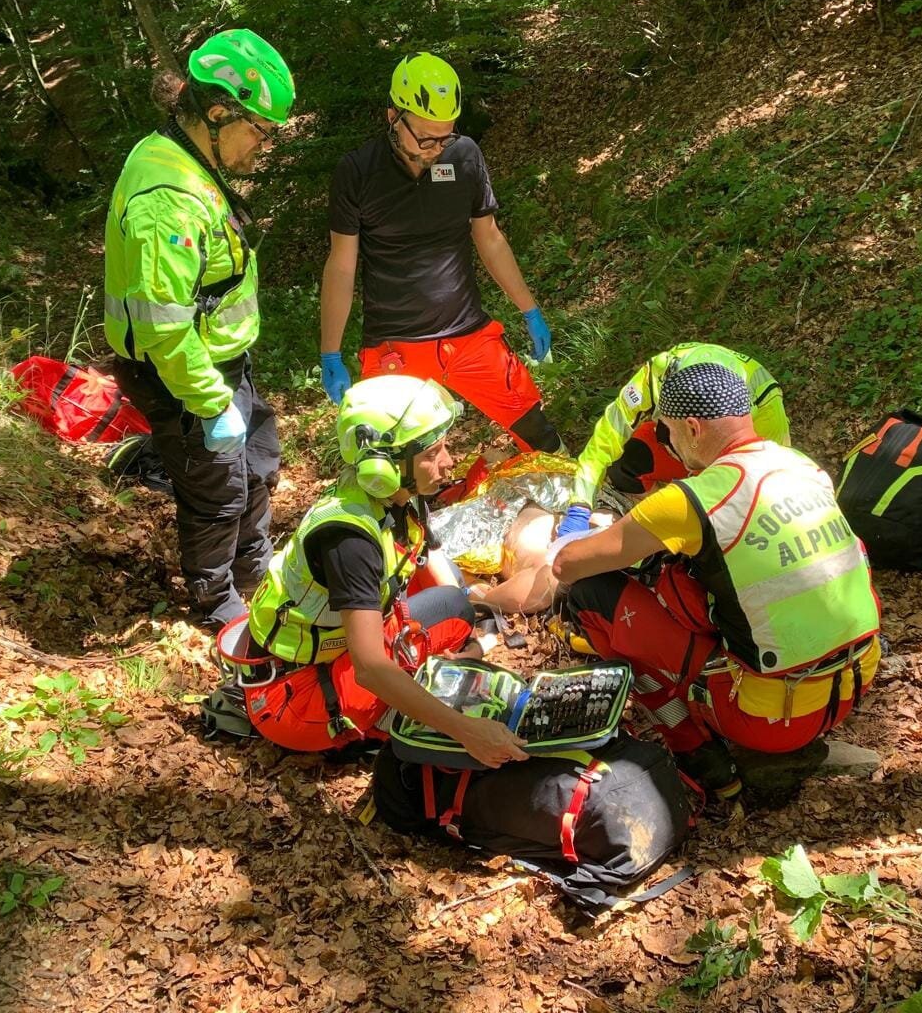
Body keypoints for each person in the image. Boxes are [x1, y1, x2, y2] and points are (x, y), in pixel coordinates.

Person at [551, 362, 881, 800]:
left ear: (691, 426)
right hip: (854, 683)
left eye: (666, 430)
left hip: (768, 718)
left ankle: (697, 751)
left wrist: (579, 534)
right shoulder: (800, 465)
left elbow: (567, 567)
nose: (666, 441)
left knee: (594, 597)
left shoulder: (690, 500)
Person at [236, 375, 530, 767]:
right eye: (433, 452)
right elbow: (371, 669)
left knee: (455, 607)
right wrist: (465, 729)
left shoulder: (400, 496)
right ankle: (374, 723)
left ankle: (410, 694)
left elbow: (434, 564)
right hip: (296, 696)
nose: (449, 461)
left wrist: (475, 617)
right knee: (422, 702)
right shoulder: (349, 541)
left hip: (337, 654)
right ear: (385, 465)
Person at [105, 29, 292, 627]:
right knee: (217, 493)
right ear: (217, 113)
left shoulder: (186, 160)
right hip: (181, 374)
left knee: (257, 465)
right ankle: (219, 607)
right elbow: (164, 328)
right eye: (259, 131)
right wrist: (211, 404)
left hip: (219, 363)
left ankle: (256, 575)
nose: (263, 147)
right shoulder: (169, 197)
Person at [318, 51, 563, 453]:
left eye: (445, 136)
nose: (436, 148)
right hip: (393, 346)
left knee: (539, 432)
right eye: (426, 137)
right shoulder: (358, 172)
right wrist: (330, 351)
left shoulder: (464, 155)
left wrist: (530, 311)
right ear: (392, 117)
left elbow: (490, 238)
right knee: (391, 465)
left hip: (469, 335)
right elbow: (341, 267)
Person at [557, 343, 788, 538]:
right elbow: (606, 437)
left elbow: (768, 479)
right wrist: (580, 504)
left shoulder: (765, 403)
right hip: (686, 444)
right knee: (628, 463)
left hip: (727, 461)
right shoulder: (656, 375)